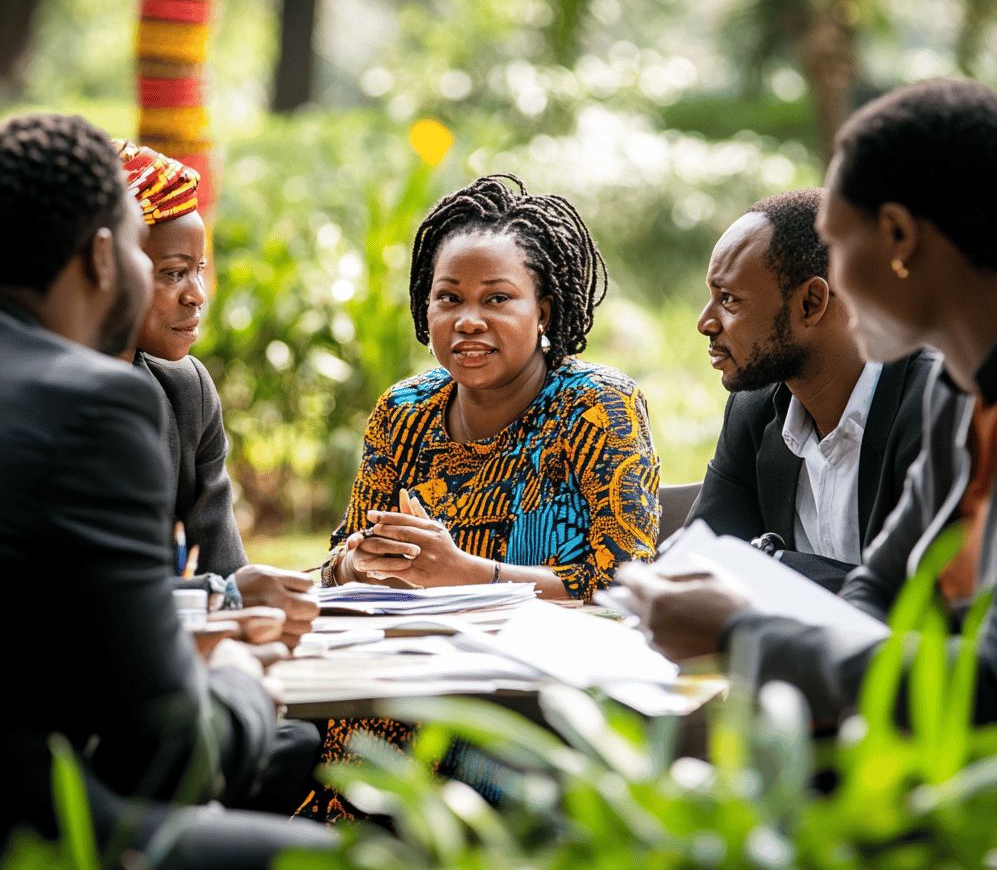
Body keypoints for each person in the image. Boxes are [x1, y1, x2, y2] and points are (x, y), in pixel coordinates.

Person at [621, 78, 997, 727]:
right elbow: (874, 593)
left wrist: (743, 632)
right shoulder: (963, 394)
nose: (830, 289)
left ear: (899, 239)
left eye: (836, 244)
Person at [0, 113, 335, 865]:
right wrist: (242, 677)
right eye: (146, 254)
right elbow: (174, 747)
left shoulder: (160, 389)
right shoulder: (91, 403)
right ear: (102, 258)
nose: (193, 293)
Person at [300, 172, 660, 820]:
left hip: (535, 715)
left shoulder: (597, 407)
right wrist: (359, 563)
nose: (468, 320)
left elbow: (625, 586)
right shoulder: (404, 412)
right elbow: (335, 563)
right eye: (449, 298)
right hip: (393, 693)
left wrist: (464, 574)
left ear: (543, 309)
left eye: (497, 298)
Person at [115, 140, 318, 648]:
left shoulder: (186, 393)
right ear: (106, 266)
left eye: (198, 269)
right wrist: (223, 596)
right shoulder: (33, 402)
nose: (197, 295)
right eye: (172, 273)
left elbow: (223, 564)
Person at [685, 190, 935, 590]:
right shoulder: (753, 408)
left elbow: (922, 598)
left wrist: (776, 563)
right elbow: (698, 562)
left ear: (810, 303)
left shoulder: (934, 407)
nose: (705, 323)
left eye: (728, 300)